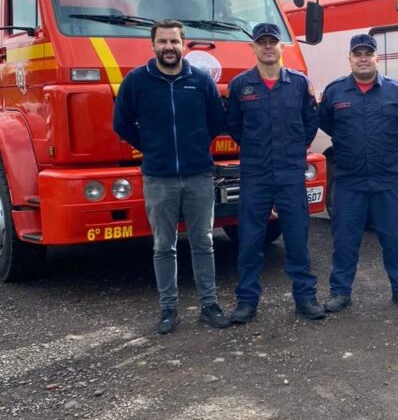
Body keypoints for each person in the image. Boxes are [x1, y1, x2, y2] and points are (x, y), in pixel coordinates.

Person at [113, 19, 230, 335]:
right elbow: (121, 123)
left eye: (174, 41)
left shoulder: (200, 80)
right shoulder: (138, 81)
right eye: (163, 41)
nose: (169, 47)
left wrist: (195, 145)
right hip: (159, 178)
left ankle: (210, 305)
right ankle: (168, 310)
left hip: (198, 176)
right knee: (163, 246)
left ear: (184, 44)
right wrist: (150, 147)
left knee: (203, 242)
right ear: (153, 45)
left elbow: (216, 119)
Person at [226, 22, 325, 323]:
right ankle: (247, 301)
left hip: (290, 173)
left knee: (297, 239)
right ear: (253, 48)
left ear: (281, 46)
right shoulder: (240, 86)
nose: (268, 47)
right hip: (255, 174)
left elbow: (311, 123)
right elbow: (234, 126)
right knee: (251, 241)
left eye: (273, 42)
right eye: (262, 42)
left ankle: (305, 298)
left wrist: (293, 151)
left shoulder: (299, 83)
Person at [318, 34, 398, 313]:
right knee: (345, 240)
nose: (363, 58)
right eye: (357, 54)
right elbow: (326, 121)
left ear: (377, 58)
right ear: (350, 58)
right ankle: (340, 293)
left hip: (386, 179)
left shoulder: (395, 91)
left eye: (368, 53)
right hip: (349, 181)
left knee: (394, 238)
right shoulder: (334, 92)